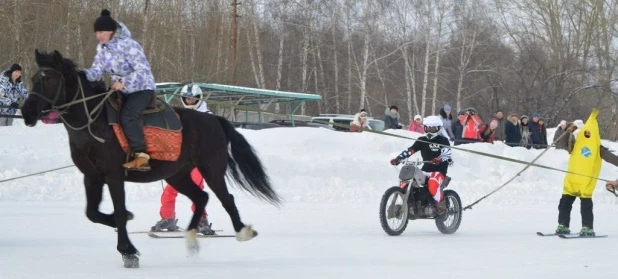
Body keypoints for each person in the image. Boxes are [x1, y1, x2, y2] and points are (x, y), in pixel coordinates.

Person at [83, 9, 156, 171]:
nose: (98, 36)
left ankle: (141, 156)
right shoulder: (102, 48)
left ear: (111, 31)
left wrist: (124, 83)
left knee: (128, 115)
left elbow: (143, 71)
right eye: (96, 32)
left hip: (141, 88)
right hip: (120, 89)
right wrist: (80, 75)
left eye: (101, 32)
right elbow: (96, 70)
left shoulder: (129, 45)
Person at [151, 84, 215, 234]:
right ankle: (168, 218)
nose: (190, 101)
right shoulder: (179, 114)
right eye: (188, 98)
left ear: (199, 99)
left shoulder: (207, 115)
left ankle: (201, 220)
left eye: (193, 99)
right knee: (170, 188)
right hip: (180, 159)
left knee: (195, 189)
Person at [556, 109, 618, 236]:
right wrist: (568, 131)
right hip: (572, 180)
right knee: (564, 204)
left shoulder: (598, 148)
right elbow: (561, 144)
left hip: (586, 181)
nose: (587, 134)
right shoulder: (575, 143)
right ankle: (563, 224)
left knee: (586, 206)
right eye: (586, 132)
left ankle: (587, 227)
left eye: (590, 133)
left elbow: (612, 158)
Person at [389, 115, 453, 215]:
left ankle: (442, 207)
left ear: (439, 129)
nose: (430, 130)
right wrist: (398, 158)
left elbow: (447, 153)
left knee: (432, 185)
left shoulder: (443, 140)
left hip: (438, 171)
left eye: (432, 128)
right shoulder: (422, 140)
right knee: (406, 181)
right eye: (427, 128)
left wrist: (439, 159)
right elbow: (410, 150)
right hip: (425, 170)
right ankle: (410, 203)